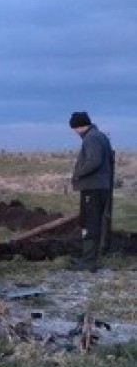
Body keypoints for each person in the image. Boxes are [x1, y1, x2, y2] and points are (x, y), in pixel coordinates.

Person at [68, 111, 114, 272]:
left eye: (74, 128)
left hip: (93, 188)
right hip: (99, 186)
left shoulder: (91, 138)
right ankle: (89, 259)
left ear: (78, 126)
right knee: (93, 221)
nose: (74, 133)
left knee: (90, 222)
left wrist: (78, 173)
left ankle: (88, 262)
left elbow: (94, 161)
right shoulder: (100, 136)